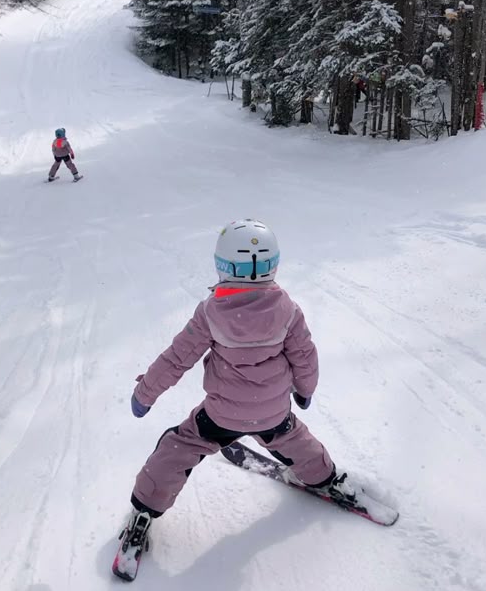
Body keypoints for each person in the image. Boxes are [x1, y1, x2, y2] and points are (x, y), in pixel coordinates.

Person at [119, 219, 361, 553]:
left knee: (177, 446)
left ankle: (146, 509)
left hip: (221, 416)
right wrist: (304, 391)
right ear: (273, 265)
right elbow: (305, 357)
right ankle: (325, 478)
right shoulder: (288, 311)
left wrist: (145, 393)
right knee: (294, 439)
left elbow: (176, 358)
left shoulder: (210, 313)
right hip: (274, 412)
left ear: (222, 266)